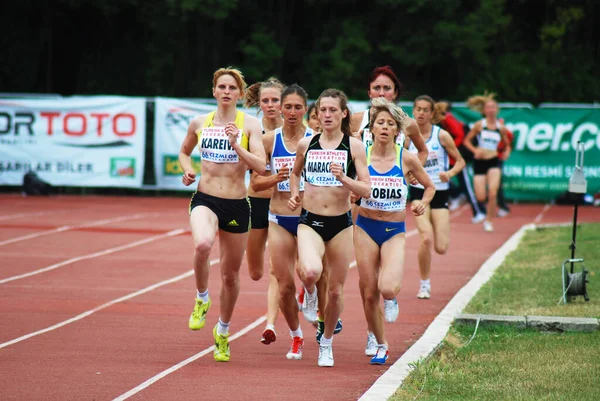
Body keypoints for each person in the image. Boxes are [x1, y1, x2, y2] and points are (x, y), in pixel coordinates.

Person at [179, 67, 267, 362]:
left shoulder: (250, 124)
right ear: (214, 91)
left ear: (240, 94)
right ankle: (202, 298)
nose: (227, 91)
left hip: (236, 204)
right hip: (205, 198)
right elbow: (183, 152)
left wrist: (236, 144)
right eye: (222, 87)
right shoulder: (199, 122)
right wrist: (187, 169)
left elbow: (261, 165)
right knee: (203, 244)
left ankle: (223, 331)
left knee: (230, 276)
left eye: (232, 87)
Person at [288, 88, 371, 367]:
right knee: (310, 271)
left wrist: (345, 180)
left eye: (332, 110)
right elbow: (295, 172)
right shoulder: (307, 143)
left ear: (343, 113)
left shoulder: (354, 146)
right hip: (310, 220)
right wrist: (294, 193)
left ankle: (326, 343)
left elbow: (367, 189)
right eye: (322, 110)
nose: (326, 115)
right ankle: (310, 293)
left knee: (335, 291)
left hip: (341, 224)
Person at [355, 98, 435, 365]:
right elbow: (346, 185)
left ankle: (391, 298)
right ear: (372, 128)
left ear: (398, 131)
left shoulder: (406, 157)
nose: (385, 128)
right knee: (368, 293)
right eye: (380, 123)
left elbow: (429, 186)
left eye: (391, 124)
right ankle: (380, 344)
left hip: (393, 229)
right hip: (365, 227)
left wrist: (422, 202)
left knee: (386, 288)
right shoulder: (361, 155)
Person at [350, 65, 429, 326]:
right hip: (361, 203)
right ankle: (373, 332)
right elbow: (345, 150)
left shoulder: (407, 123)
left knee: (385, 282)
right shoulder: (356, 120)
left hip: (392, 201)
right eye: (377, 88)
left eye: (387, 88)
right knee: (366, 279)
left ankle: (390, 295)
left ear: (395, 93)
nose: (381, 93)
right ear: (369, 91)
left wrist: (412, 173)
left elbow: (422, 152)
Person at [251, 84, 314, 360]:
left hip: (309, 217)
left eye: (296, 107)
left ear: (306, 109)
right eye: (286, 106)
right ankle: (296, 335)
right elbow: (255, 181)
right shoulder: (268, 141)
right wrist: (276, 179)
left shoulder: (317, 139)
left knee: (310, 273)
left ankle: (315, 305)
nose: (291, 112)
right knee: (282, 282)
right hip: (277, 217)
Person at [407, 95, 465, 300]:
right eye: (418, 109)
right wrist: (408, 174)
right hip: (418, 193)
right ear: (413, 111)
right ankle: (424, 284)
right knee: (426, 238)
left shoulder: (441, 136)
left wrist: (448, 174)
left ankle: (434, 229)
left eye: (425, 110)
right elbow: (397, 162)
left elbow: (460, 161)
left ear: (432, 114)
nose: (421, 113)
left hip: (439, 193)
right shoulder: (407, 138)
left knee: (440, 247)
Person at [243, 78, 285, 345]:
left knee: (275, 268)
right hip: (256, 202)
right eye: (266, 101)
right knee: (255, 271)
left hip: (284, 205)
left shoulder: (295, 131)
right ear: (259, 103)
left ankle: (270, 324)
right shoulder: (252, 131)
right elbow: (254, 176)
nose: (270, 105)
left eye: (275, 100)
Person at [463, 92, 510, 232]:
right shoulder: (480, 125)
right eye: (488, 107)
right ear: (484, 110)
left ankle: (489, 221)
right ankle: (484, 213)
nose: (491, 110)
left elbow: (507, 143)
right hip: (480, 162)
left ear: (497, 110)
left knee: (493, 192)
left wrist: (506, 152)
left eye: (493, 107)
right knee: (481, 196)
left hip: (494, 161)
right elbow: (466, 141)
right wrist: (475, 150)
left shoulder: (500, 127)